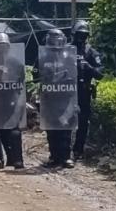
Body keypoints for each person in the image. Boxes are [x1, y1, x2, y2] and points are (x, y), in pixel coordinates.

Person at [0, 30, 25, 169]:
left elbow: (20, 82)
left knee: (13, 131)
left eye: (4, 46)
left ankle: (16, 159)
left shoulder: (16, 63)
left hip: (10, 100)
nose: (2, 49)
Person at [39, 28, 76, 168]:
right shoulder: (43, 57)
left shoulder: (70, 57)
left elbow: (74, 76)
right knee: (51, 129)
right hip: (49, 98)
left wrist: (64, 78)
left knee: (66, 128)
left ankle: (66, 157)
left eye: (57, 41)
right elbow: (36, 74)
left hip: (65, 98)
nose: (55, 44)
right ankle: (54, 157)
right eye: (52, 41)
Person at [71, 20, 103, 161]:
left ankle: (78, 150)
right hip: (66, 91)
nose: (81, 37)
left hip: (83, 91)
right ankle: (62, 151)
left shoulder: (91, 52)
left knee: (83, 122)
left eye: (84, 35)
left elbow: (100, 73)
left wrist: (88, 67)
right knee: (64, 121)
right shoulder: (65, 50)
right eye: (79, 34)